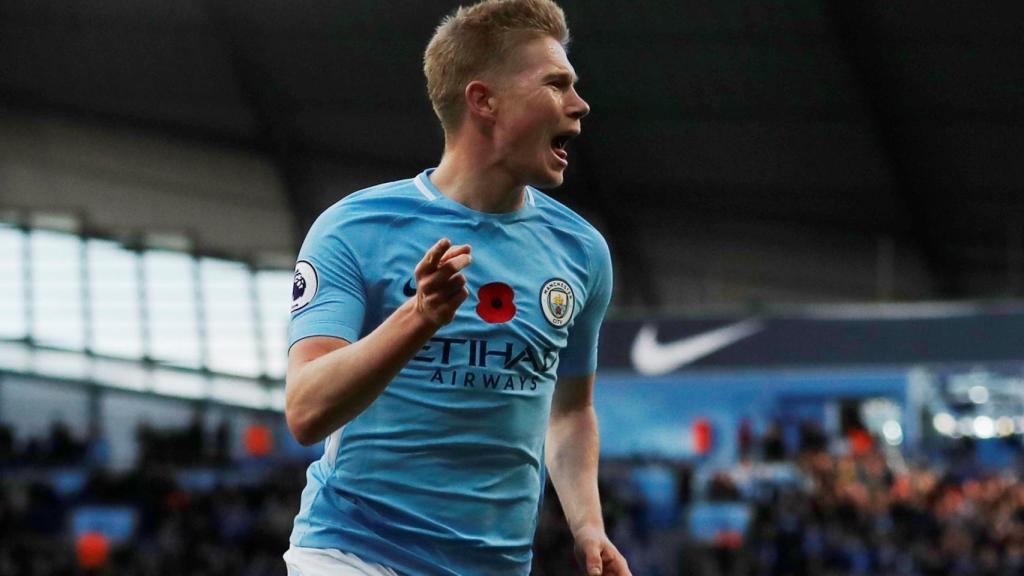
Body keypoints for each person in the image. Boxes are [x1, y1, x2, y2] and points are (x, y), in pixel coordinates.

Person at [283, 0, 630, 574]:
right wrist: (418, 317)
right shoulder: (353, 229)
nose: (579, 104)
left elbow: (570, 411)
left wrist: (588, 524)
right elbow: (305, 409)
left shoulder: (582, 251)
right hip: (353, 553)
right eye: (556, 84)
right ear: (483, 101)